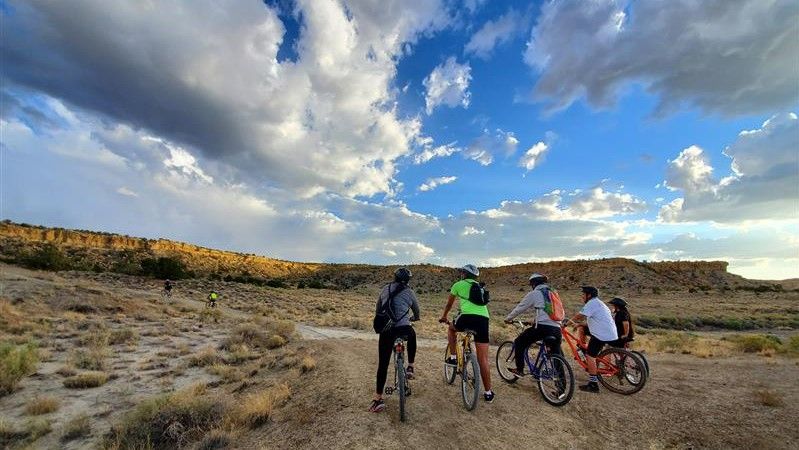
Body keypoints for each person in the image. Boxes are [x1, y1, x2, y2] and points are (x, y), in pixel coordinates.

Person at [439, 264, 494, 403]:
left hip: (466, 317)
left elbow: (449, 304)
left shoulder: (458, 284)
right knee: (484, 360)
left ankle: (452, 357)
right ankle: (488, 393)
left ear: (463, 273)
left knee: (451, 329)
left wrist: (444, 316)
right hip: (483, 320)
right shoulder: (480, 287)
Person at [369, 267, 420, 413]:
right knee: (412, 335)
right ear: (408, 280)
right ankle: (410, 366)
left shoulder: (386, 289)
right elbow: (417, 311)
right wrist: (415, 318)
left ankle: (378, 399)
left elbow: (378, 308)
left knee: (383, 364)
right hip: (403, 328)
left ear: (395, 277)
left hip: (387, 330)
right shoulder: (410, 292)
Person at [503, 273, 563, 377]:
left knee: (519, 342)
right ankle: (561, 388)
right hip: (557, 328)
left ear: (533, 284)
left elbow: (520, 308)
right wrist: (536, 320)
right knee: (557, 355)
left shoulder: (535, 293)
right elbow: (550, 312)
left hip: (542, 328)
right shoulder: (553, 293)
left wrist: (508, 319)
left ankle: (520, 370)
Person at [565, 286, 617, 393]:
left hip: (601, 334)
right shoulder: (599, 303)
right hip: (609, 333)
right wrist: (579, 325)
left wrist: (566, 323)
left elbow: (580, 315)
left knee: (590, 356)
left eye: (583, 295)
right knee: (582, 329)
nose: (582, 297)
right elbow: (592, 320)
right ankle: (583, 347)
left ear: (589, 295)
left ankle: (593, 384)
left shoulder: (592, 303)